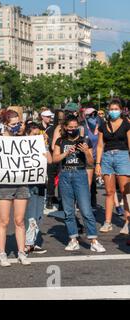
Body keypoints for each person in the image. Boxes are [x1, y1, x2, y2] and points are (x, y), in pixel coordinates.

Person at [53, 115, 106, 253]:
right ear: (65, 127)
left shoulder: (84, 140)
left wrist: (86, 152)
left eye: (75, 127)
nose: (73, 129)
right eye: (70, 127)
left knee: (86, 209)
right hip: (65, 174)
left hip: (80, 173)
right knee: (68, 210)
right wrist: (65, 154)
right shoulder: (60, 141)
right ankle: (73, 239)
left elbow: (90, 162)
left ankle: (94, 240)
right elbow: (54, 159)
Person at [0, 110, 31, 267]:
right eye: (13, 124)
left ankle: (21, 253)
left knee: (19, 220)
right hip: (4, 183)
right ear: (5, 124)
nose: (17, 126)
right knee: (4, 220)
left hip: (21, 182)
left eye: (18, 123)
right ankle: (2, 254)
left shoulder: (22, 139)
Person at [95, 99, 130, 234]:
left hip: (122, 156)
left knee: (125, 191)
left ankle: (127, 222)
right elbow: (99, 145)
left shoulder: (127, 124)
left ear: (121, 110)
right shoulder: (103, 125)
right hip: (107, 158)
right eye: (111, 108)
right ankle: (107, 222)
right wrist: (98, 163)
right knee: (109, 192)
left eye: (116, 108)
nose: (113, 111)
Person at [24, 122, 52, 254]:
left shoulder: (42, 146)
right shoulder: (23, 146)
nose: (36, 137)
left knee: (39, 215)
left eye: (38, 134)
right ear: (27, 134)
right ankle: (27, 243)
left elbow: (50, 160)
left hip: (40, 183)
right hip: (28, 184)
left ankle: (33, 242)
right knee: (30, 215)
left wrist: (45, 146)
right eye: (34, 134)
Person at [83, 108, 100, 208]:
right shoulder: (83, 127)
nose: (93, 117)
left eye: (95, 114)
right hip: (87, 158)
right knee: (88, 183)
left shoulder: (101, 125)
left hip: (98, 158)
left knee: (94, 182)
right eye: (90, 115)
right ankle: (86, 203)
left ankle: (93, 201)